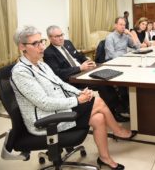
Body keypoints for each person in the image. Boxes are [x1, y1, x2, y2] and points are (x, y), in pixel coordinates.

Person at [11, 25, 137, 170]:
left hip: (58, 110)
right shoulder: (21, 72)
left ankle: (104, 158)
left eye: (42, 41)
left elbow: (61, 84)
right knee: (98, 101)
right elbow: (44, 103)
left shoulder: (41, 64)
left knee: (99, 118)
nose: (42, 47)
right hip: (45, 120)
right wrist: (77, 100)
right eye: (35, 43)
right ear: (22, 47)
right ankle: (118, 131)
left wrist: (80, 93)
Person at [44, 25, 129, 122]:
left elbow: (79, 56)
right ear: (50, 38)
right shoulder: (49, 53)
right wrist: (79, 68)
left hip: (84, 71)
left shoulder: (67, 43)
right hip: (72, 79)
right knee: (102, 84)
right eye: (57, 36)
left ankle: (121, 106)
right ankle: (114, 113)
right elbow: (58, 73)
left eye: (61, 35)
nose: (61, 38)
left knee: (109, 77)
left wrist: (88, 61)